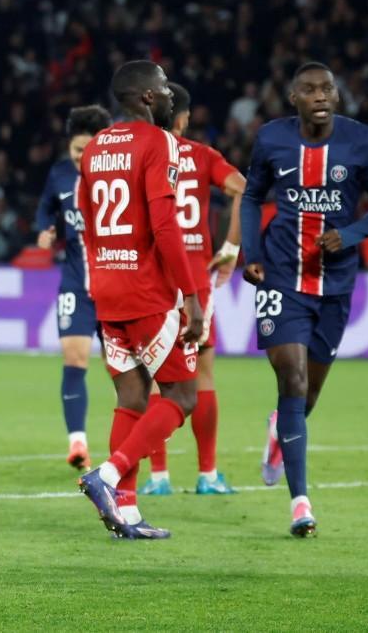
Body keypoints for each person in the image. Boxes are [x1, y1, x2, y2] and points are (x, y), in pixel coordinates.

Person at [242, 62, 368, 537]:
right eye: (309, 89)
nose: (320, 95)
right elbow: (251, 198)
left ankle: (278, 432)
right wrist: (252, 254)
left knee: (307, 395)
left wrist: (349, 234)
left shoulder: (362, 141)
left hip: (335, 285)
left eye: (327, 88)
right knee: (292, 377)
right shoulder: (272, 139)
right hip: (282, 279)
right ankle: (300, 503)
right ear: (293, 98)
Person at [75, 61, 204, 539]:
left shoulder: (93, 150)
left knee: (130, 397)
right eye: (165, 87)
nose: (171, 95)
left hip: (106, 289)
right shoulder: (160, 142)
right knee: (181, 395)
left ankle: (125, 513)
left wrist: (101, 278)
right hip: (148, 292)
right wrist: (190, 295)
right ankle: (108, 475)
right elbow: (165, 224)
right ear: (148, 97)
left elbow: (88, 224)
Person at [139, 82, 246, 496]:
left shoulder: (140, 153)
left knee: (151, 375)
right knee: (202, 374)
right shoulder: (201, 156)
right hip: (196, 279)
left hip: (151, 278)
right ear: (183, 118)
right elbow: (242, 188)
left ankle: (158, 477)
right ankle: (207, 474)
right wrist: (231, 246)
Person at [35, 104, 112, 471]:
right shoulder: (60, 174)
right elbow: (45, 209)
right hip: (75, 285)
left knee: (119, 367)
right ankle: (78, 443)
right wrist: (46, 229)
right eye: (76, 150)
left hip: (116, 286)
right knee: (75, 359)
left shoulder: (117, 177)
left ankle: (128, 443)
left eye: (88, 149)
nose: (81, 157)